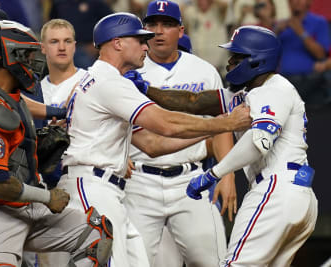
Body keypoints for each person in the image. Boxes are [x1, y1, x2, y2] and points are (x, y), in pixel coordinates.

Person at [60, 11, 251, 267]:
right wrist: (224, 123)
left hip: (108, 186)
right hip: (94, 185)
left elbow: (153, 144)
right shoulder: (109, 82)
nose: (145, 44)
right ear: (117, 43)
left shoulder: (104, 78)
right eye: (138, 39)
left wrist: (212, 130)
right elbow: (166, 123)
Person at [0, 19, 113, 267]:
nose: (31, 62)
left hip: (21, 203)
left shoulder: (0, 90)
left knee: (95, 233)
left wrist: (32, 152)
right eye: (24, 55)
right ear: (7, 57)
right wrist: (47, 197)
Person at [186, 25, 318, 266]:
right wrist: (147, 92)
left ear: (257, 60)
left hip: (275, 188)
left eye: (237, 57)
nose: (230, 63)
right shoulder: (250, 92)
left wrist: (214, 172)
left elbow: (260, 142)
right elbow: (195, 102)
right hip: (297, 193)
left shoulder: (273, 88)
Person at [124, 1, 234, 266]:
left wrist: (228, 173)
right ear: (144, 31)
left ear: (181, 31)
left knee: (215, 261)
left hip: (190, 180)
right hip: (140, 180)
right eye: (152, 25)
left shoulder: (204, 70)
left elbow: (221, 125)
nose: (159, 31)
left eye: (167, 25)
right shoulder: (129, 72)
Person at [36, 18, 88, 267]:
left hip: (83, 177)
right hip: (44, 184)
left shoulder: (89, 82)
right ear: (42, 47)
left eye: (67, 41)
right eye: (54, 41)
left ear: (75, 46)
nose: (61, 47)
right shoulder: (32, 90)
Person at [276, 0, 330, 105]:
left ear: (308, 2)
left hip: (310, 83)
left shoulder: (319, 22)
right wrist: (276, 32)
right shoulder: (281, 26)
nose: (296, 2)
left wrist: (301, 32)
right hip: (283, 84)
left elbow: (321, 55)